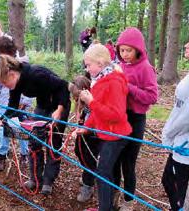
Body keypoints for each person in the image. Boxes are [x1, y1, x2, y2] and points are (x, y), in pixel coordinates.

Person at [0, 55, 71, 195]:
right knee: (34, 139)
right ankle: (35, 178)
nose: (5, 86)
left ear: (12, 74)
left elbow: (63, 86)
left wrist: (59, 110)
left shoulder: (37, 74)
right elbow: (13, 107)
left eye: (5, 83)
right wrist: (0, 121)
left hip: (59, 105)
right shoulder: (16, 83)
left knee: (53, 141)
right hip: (43, 105)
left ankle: (48, 181)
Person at [75, 44, 132, 211]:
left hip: (115, 136)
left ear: (100, 64)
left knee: (102, 173)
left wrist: (90, 101)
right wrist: (86, 127)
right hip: (105, 133)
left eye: (88, 64)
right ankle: (109, 205)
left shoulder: (113, 82)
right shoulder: (99, 80)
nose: (86, 68)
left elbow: (116, 115)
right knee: (109, 172)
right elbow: (97, 111)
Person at [161, 23, 189, 211]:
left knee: (182, 190)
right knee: (168, 181)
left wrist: (168, 135)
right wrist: (168, 135)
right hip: (178, 141)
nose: (187, 45)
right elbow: (179, 107)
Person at [113, 27, 158, 211]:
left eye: (128, 50)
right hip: (119, 117)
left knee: (128, 163)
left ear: (138, 49)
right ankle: (114, 193)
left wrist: (129, 86)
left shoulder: (146, 68)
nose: (125, 54)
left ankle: (128, 201)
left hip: (136, 118)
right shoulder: (120, 65)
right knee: (114, 159)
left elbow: (152, 96)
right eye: (121, 50)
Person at [0, 36, 33, 171]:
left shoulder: (22, 64)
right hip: (4, 104)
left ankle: (24, 154)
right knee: (3, 129)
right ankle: (2, 155)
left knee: (20, 129)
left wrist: (25, 103)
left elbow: (29, 86)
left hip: (20, 105)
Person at [68, 76, 100, 203]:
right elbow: (80, 116)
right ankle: (88, 174)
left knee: (89, 159)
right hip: (83, 132)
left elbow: (95, 119)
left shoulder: (92, 102)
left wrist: (84, 128)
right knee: (78, 150)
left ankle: (88, 186)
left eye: (77, 96)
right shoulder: (80, 103)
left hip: (93, 135)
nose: (75, 98)